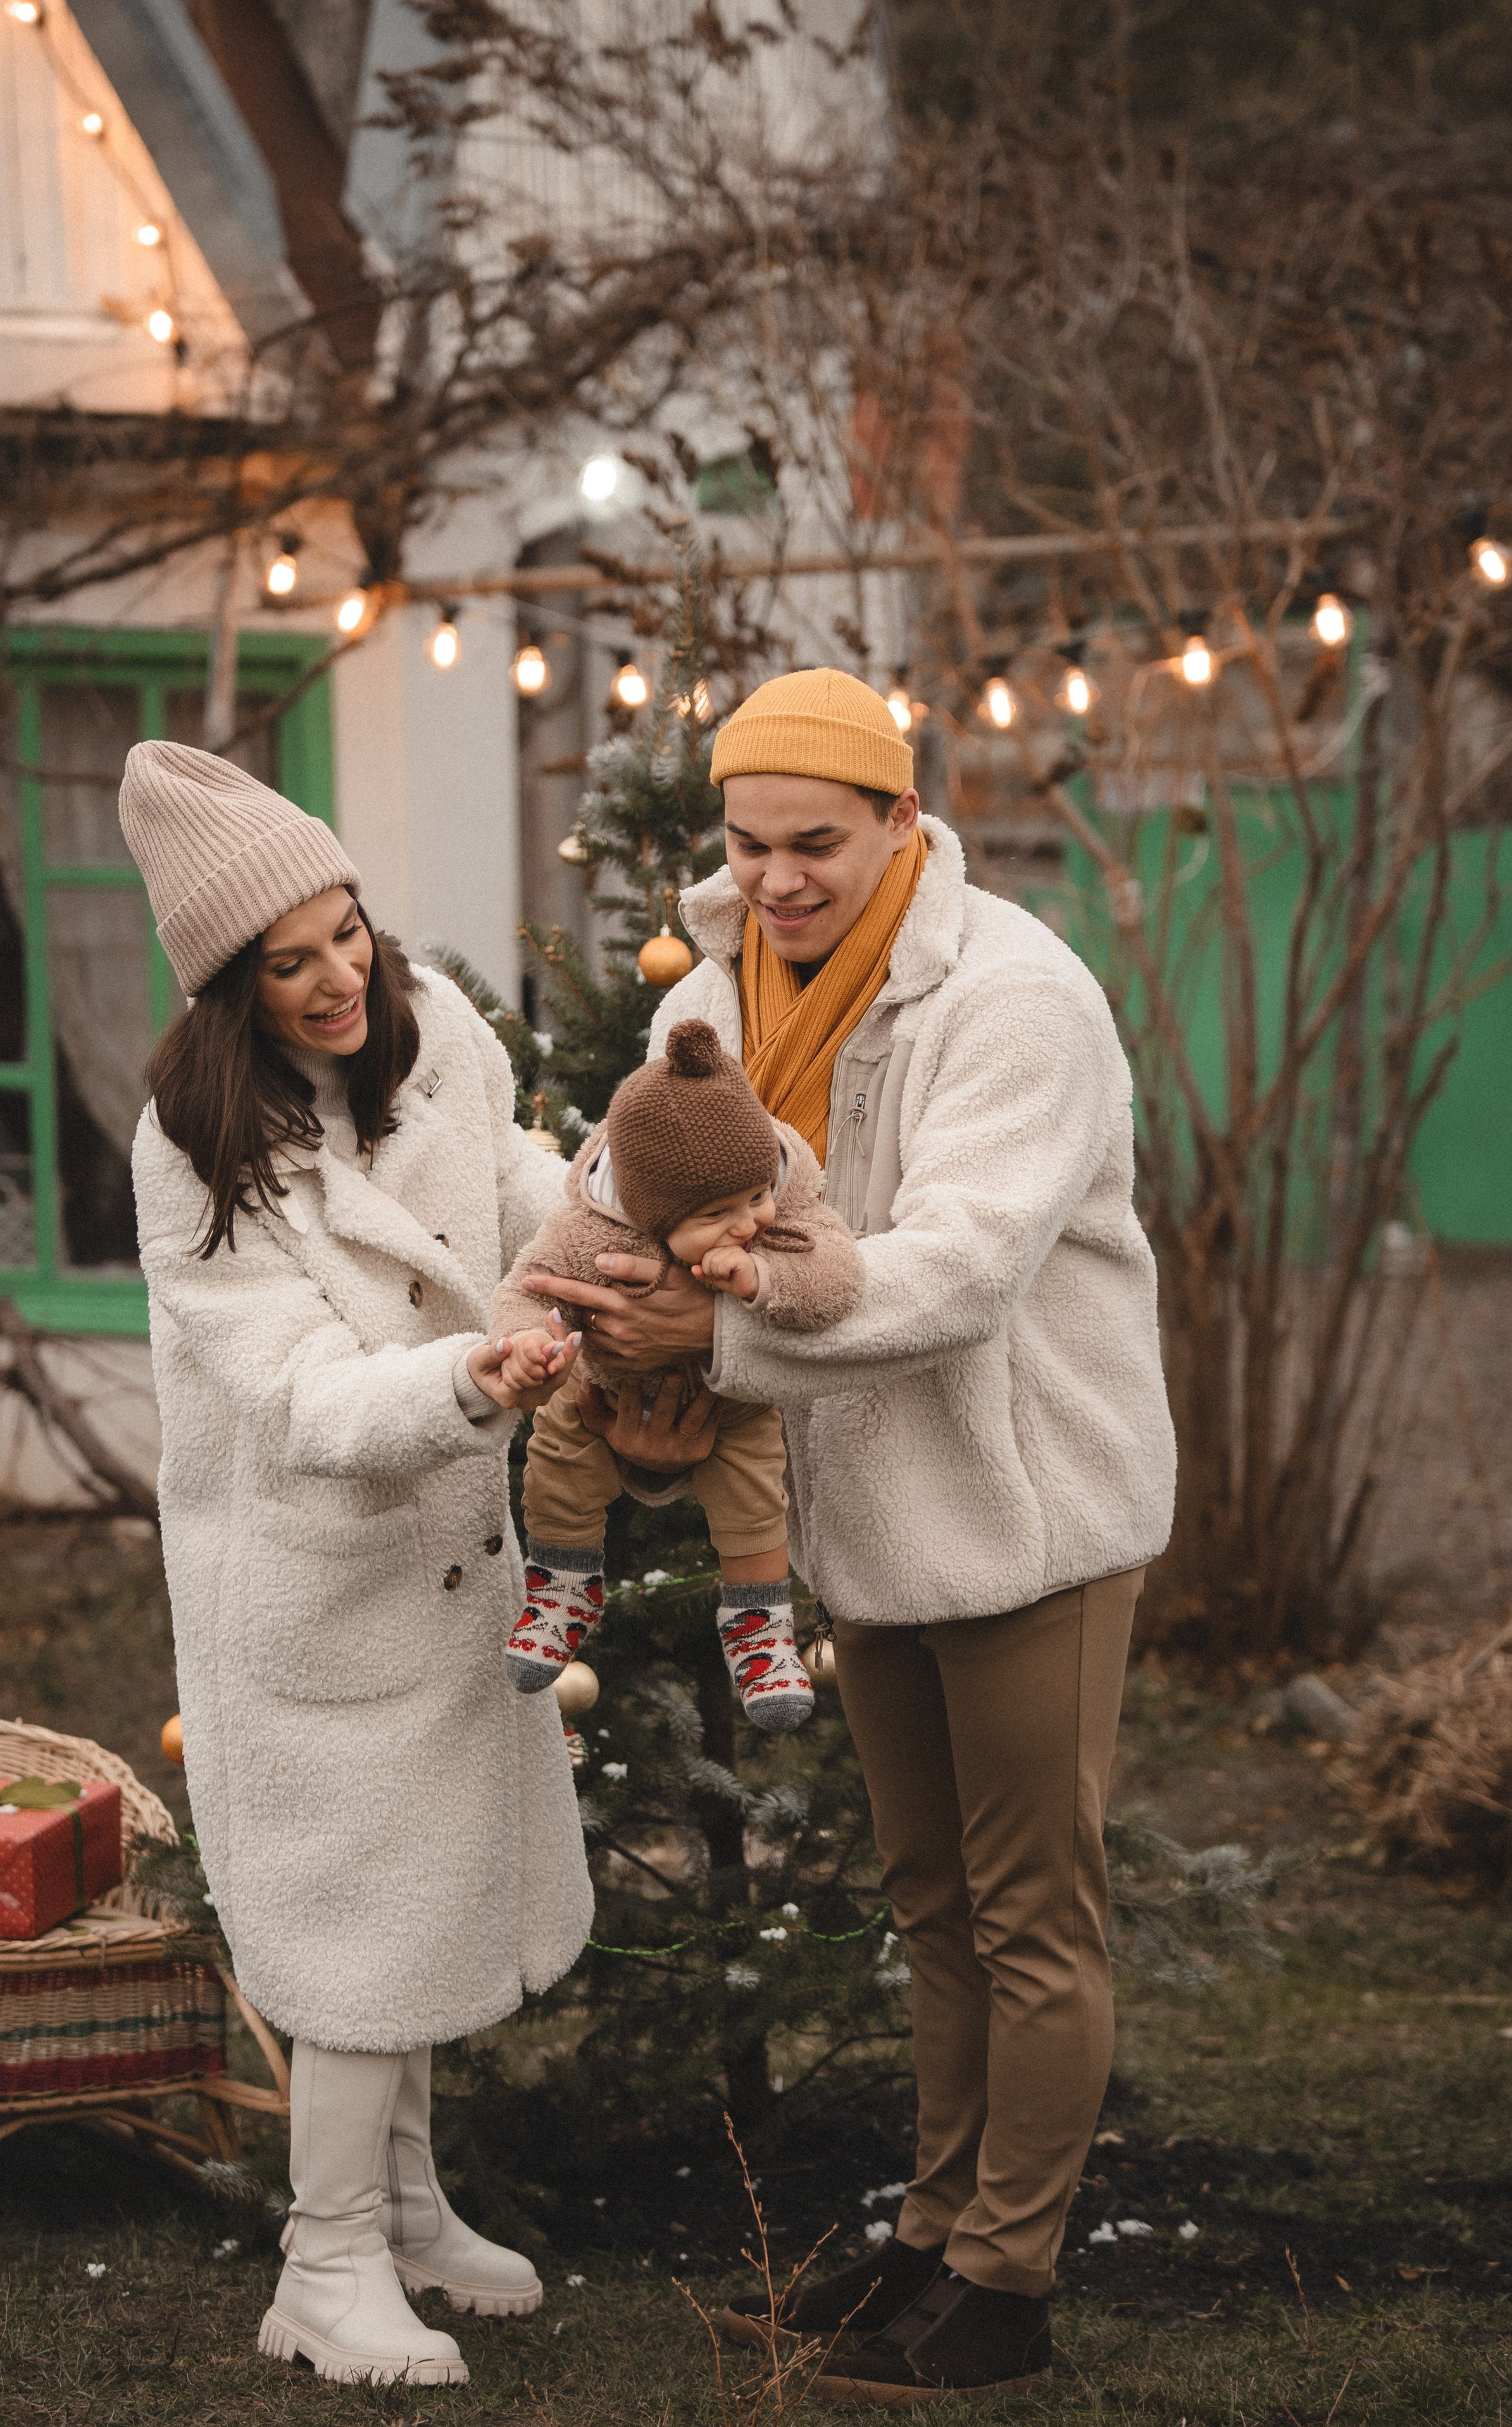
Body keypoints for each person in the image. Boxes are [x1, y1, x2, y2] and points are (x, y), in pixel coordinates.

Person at [520, 668, 1178, 2407]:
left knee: (1031, 1913)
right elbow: (633, 1183)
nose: (775, 876)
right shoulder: (723, 985)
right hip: (874, 1505)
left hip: (1029, 1501)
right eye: (747, 843)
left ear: (902, 818)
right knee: (931, 1902)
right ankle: (933, 2235)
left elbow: (960, 1269)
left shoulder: (1017, 997)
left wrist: (712, 1335)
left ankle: (1006, 2283)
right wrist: (621, 1346)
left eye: (814, 841)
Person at [120, 740, 592, 2390]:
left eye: (348, 934)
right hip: (308, 1575)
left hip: (448, 1550)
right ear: (228, 989)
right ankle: (320, 2266)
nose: (338, 979)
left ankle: (399, 2208)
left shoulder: (435, 1028)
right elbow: (304, 1397)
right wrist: (474, 1379)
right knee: (353, 1937)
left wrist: (603, 1223)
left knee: (425, 1897)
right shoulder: (194, 1150)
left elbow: (515, 1184)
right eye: (289, 962)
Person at [487, 1017, 863, 1728]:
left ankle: (760, 1627)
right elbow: (529, 1284)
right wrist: (526, 1342)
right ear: (652, 1214)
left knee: (753, 1488)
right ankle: (561, 1583)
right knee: (560, 1454)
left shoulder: (784, 1199)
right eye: (718, 1214)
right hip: (604, 1383)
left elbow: (839, 1276)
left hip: (732, 1393)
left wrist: (762, 1280)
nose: (749, 1222)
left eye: (756, 1194)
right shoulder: (592, 1225)